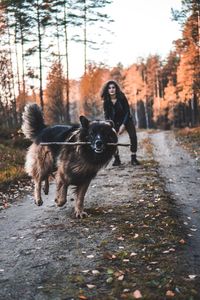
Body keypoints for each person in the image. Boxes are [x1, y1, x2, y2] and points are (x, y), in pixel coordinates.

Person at [101, 80, 140, 166]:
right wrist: (110, 126)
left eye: (113, 87)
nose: (111, 89)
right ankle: (117, 159)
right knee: (111, 139)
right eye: (109, 88)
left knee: (133, 136)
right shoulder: (106, 101)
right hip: (113, 122)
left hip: (126, 119)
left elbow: (127, 112)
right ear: (107, 90)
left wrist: (123, 125)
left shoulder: (122, 97)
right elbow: (107, 116)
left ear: (116, 89)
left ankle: (133, 158)